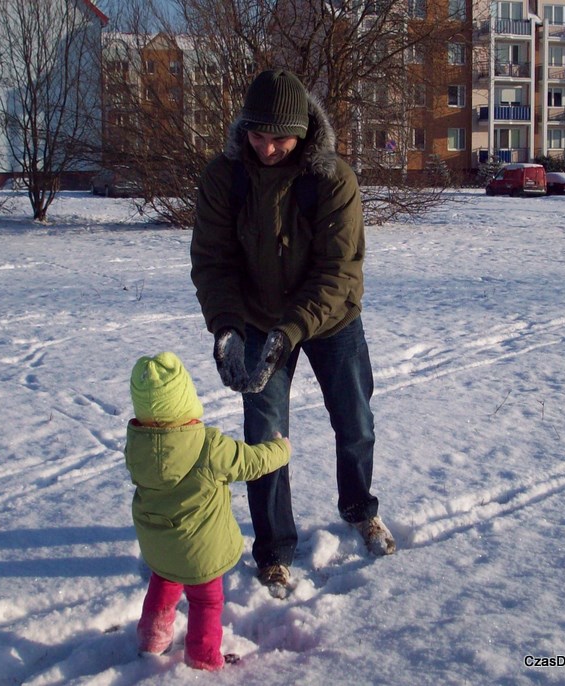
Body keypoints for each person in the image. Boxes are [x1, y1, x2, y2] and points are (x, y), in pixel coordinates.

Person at [190, 69, 395, 598]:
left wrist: (293, 329)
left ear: (303, 129)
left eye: (279, 135)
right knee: (264, 438)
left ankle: (359, 508)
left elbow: (339, 271)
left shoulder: (332, 178)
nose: (268, 146)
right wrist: (228, 328)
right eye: (257, 134)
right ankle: (275, 551)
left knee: (355, 420)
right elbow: (213, 263)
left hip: (331, 318)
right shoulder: (224, 177)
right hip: (258, 318)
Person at [125, 351, 291, 670]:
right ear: (185, 399)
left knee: (164, 582)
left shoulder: (137, 446)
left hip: (159, 545)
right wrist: (280, 450)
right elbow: (251, 462)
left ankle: (152, 637)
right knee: (206, 600)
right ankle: (202, 656)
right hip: (201, 551)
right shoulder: (208, 446)